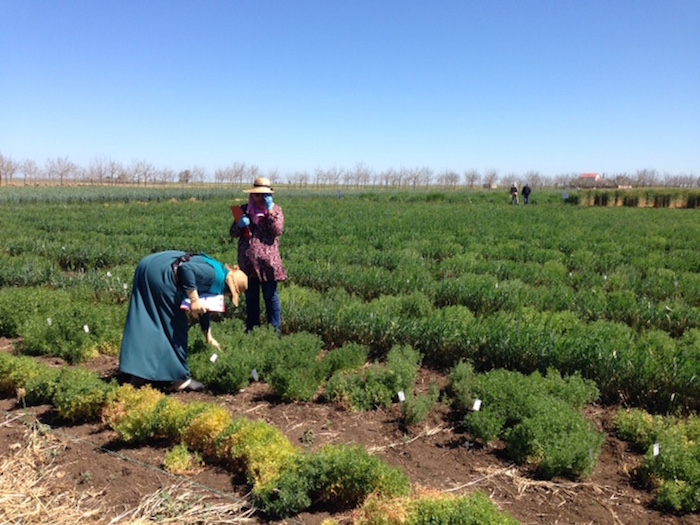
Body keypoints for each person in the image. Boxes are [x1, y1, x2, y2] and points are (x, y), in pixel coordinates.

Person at [118, 251, 248, 392]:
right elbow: (186, 269)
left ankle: (139, 373)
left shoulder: (218, 271)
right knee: (175, 326)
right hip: (161, 274)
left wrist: (208, 336)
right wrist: (194, 299)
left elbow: (204, 307)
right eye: (230, 294)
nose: (226, 297)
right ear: (228, 286)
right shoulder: (213, 275)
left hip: (149, 267)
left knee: (148, 323)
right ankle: (180, 379)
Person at [230, 177, 288, 333]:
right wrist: (239, 225)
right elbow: (233, 233)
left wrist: (269, 212)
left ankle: (274, 331)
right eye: (258, 195)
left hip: (268, 264)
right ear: (252, 195)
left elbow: (277, 230)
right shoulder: (243, 210)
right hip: (248, 264)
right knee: (251, 299)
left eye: (265, 195)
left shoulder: (276, 210)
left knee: (270, 297)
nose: (261, 198)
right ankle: (252, 330)